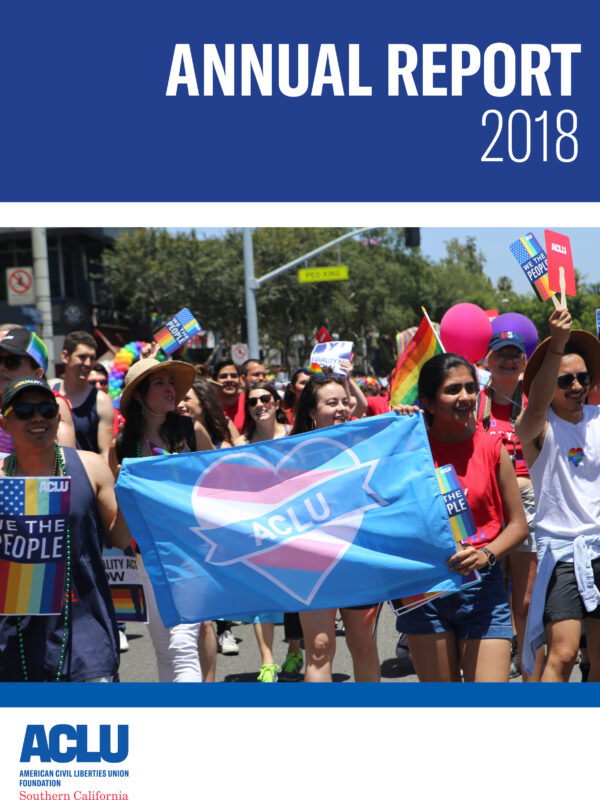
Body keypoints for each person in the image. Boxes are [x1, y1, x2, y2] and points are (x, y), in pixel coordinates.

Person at [395, 353, 527, 682]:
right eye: (453, 390)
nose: (466, 397)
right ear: (426, 400)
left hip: (485, 591)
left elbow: (519, 525)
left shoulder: (493, 449)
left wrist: (486, 554)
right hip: (426, 589)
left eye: (471, 387)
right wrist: (395, 428)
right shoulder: (407, 452)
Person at [0, 376, 131, 681]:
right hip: (14, 640)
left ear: (58, 419)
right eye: (24, 411)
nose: (37, 418)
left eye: (47, 410)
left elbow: (120, 537)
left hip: (86, 634)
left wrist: (127, 497)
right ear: (4, 424)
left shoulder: (90, 466)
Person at [109, 357, 213, 681]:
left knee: (183, 644)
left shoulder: (190, 431)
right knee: (163, 648)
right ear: (139, 395)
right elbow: (118, 513)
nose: (170, 388)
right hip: (147, 558)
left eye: (171, 382)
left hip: (189, 553)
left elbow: (218, 478)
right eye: (159, 383)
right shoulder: (121, 446)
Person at [515, 307, 600, 682]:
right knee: (563, 654)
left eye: (583, 377)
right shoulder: (538, 427)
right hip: (562, 554)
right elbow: (535, 405)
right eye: (565, 381)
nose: (576, 386)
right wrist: (557, 345)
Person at [290, 375, 381, 682]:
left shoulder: (368, 444)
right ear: (312, 413)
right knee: (318, 648)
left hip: (360, 560)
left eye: (345, 401)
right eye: (332, 403)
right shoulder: (290, 457)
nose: (342, 408)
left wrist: (407, 416)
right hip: (311, 564)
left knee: (363, 646)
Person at [479, 330, 544, 680]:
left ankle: (531, 677)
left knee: (524, 601)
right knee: (486, 599)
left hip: (529, 500)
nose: (507, 360)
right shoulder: (471, 400)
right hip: (483, 503)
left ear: (524, 362)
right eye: (500, 354)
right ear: (487, 360)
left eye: (514, 354)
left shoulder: (535, 398)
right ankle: (491, 669)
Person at [234, 382, 303, 681]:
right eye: (253, 401)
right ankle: (267, 661)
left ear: (276, 403)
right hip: (258, 528)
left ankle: (294, 652)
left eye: (265, 398)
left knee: (295, 597)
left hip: (294, 527)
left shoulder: (294, 436)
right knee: (262, 596)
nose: (259, 404)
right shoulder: (240, 443)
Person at [0, 327, 76, 451]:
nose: (1, 368)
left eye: (11, 362)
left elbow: (65, 464)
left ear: (37, 373)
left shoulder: (54, 403)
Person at [52, 331, 115, 459]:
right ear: (65, 356)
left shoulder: (101, 401)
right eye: (82, 357)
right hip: (54, 476)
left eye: (92, 358)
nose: (87, 363)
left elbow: (106, 453)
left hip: (88, 476)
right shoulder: (49, 394)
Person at [178, 376, 235, 448]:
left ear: (204, 402)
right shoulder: (171, 436)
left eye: (186, 399)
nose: (179, 405)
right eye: (178, 399)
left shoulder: (223, 446)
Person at [213, 358, 246, 434]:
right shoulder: (208, 406)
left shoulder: (251, 402)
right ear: (215, 380)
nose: (229, 380)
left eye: (234, 376)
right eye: (223, 376)